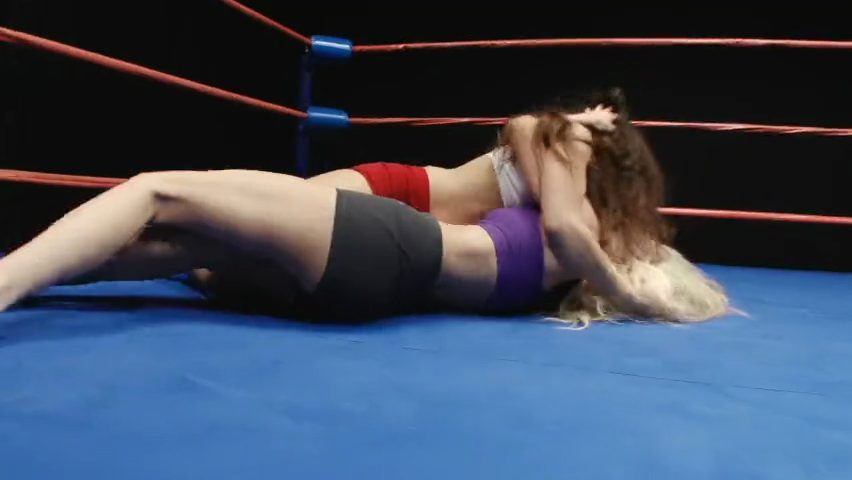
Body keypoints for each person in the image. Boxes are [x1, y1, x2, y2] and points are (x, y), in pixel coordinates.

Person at [194, 88, 736, 326]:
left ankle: (183, 253)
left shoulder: (572, 177)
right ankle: (165, 221)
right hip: (399, 191)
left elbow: (595, 236)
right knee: (249, 218)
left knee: (238, 271)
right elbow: (567, 230)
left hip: (408, 235)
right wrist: (631, 297)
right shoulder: (550, 139)